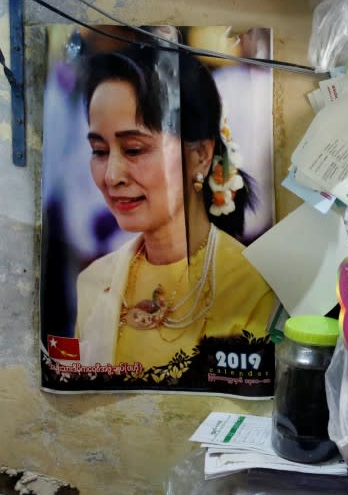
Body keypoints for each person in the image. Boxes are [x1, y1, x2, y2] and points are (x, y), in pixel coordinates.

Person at [75, 46, 276, 371]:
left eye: (134, 149)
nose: (112, 175)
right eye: (99, 150)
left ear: (201, 156)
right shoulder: (95, 283)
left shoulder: (252, 288)